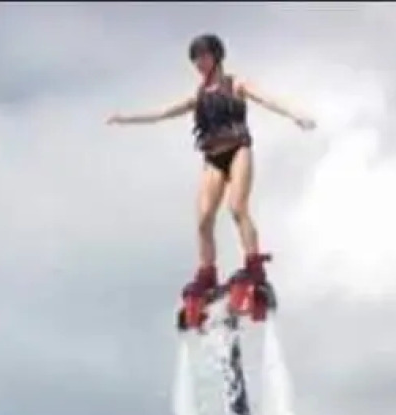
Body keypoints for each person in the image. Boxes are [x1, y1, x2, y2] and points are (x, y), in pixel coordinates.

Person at [107, 33, 316, 302]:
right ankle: (208, 273)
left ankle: (254, 265)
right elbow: (161, 113)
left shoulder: (237, 84)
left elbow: (268, 99)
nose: (199, 63)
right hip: (212, 158)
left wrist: (296, 115)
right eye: (195, 59)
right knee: (204, 219)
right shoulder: (197, 96)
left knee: (237, 207)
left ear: (216, 56)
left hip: (238, 149)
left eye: (203, 56)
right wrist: (124, 119)